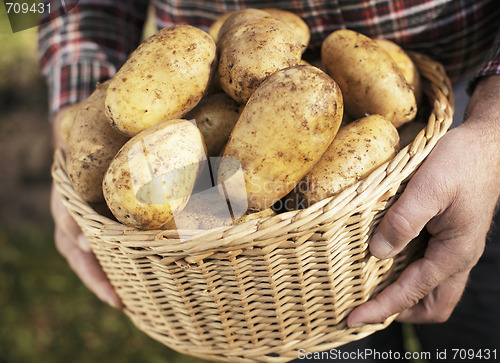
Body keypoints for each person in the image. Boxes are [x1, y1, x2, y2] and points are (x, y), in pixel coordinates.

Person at [39, 0, 500, 359]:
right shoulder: (216, 136)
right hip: (258, 246)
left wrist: (490, 135)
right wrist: (77, 105)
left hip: (465, 111)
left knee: (482, 334)